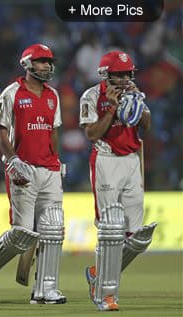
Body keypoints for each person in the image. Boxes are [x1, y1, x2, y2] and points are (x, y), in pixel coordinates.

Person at [0, 44, 67, 305]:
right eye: (41, 61)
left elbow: (54, 131)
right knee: (22, 234)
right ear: (28, 64)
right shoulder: (12, 93)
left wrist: (56, 158)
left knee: (53, 229)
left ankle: (45, 289)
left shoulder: (53, 95)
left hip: (50, 170)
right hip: (23, 170)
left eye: (48, 62)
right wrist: (12, 159)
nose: (46, 66)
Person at [79, 51, 157, 311]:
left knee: (135, 237)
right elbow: (91, 133)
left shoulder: (135, 92)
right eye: (119, 74)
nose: (124, 79)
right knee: (109, 231)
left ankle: (97, 273)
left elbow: (146, 125)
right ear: (106, 75)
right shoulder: (91, 96)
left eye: (127, 74)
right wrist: (113, 109)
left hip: (132, 160)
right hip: (106, 160)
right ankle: (106, 294)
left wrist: (136, 103)